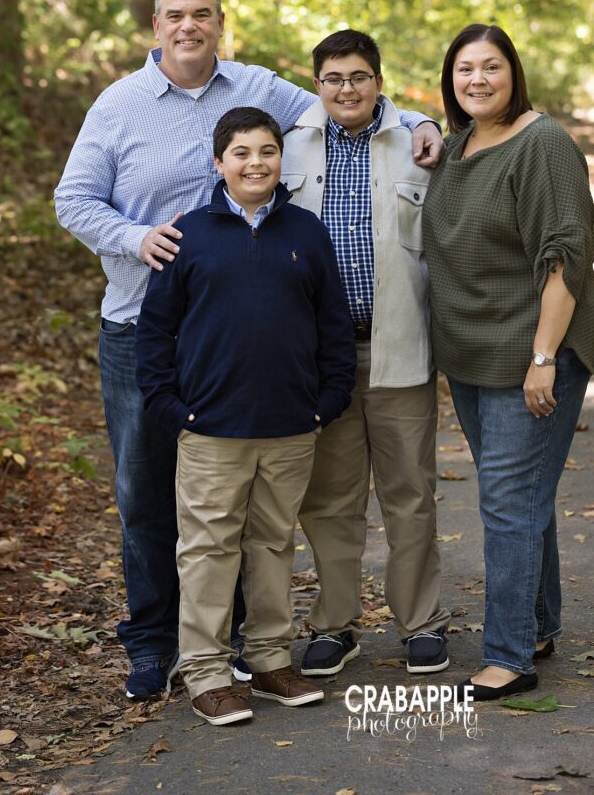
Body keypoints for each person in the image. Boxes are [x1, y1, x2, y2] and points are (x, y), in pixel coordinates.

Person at [53, 0, 443, 700]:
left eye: (202, 13)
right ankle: (155, 644)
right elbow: (72, 200)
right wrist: (138, 238)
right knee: (148, 497)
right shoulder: (119, 104)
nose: (189, 26)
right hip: (143, 322)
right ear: (156, 25)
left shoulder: (257, 87)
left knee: (248, 504)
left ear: (219, 22)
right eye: (175, 14)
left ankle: (240, 644)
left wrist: (422, 121)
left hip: (249, 335)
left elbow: (347, 103)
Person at [135, 107, 356, 725]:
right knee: (208, 549)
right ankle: (206, 672)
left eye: (267, 151)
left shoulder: (306, 230)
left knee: (273, 544)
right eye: (241, 152)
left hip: (291, 426)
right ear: (218, 162)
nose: (256, 163)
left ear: (281, 159)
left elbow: (333, 325)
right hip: (211, 428)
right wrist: (172, 408)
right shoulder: (188, 235)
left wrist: (327, 402)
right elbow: (154, 334)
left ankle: (267, 659)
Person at [421, 24, 594, 701]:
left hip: (532, 352)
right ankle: (535, 626)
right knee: (522, 497)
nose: (476, 79)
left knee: (507, 503)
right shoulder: (456, 146)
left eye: (490, 67)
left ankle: (507, 657)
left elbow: (566, 257)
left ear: (514, 72)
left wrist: (543, 357)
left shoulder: (543, 144)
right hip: (471, 356)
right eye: (464, 69)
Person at [281, 30, 451, 677]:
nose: (346, 88)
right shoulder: (289, 146)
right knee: (328, 498)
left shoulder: (418, 146)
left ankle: (421, 623)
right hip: (321, 358)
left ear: (379, 82)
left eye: (358, 77)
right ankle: (334, 625)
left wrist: (424, 120)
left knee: (410, 494)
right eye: (333, 78)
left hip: (400, 346)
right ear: (316, 84)